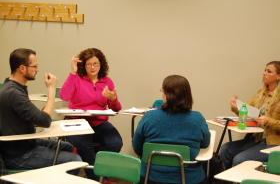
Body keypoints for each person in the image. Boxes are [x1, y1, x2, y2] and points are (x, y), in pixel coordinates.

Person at [0, 48, 82, 175]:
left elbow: (21, 118)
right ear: (22, 68)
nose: (37, 69)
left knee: (68, 147)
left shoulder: (13, 87)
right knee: (75, 160)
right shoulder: (13, 93)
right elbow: (45, 121)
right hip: (18, 154)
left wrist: (39, 114)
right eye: (35, 66)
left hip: (24, 143)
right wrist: (51, 88)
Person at [132, 75, 211, 184]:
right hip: (189, 179)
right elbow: (205, 144)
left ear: (165, 95)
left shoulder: (149, 117)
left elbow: (137, 148)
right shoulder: (197, 119)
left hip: (150, 178)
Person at [60, 48, 123, 181]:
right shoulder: (76, 78)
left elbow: (116, 109)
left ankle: (98, 175)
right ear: (83, 65)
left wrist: (113, 99)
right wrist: (72, 72)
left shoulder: (107, 81)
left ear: (101, 64)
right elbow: (63, 96)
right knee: (85, 146)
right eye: (89, 64)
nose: (92, 67)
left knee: (116, 142)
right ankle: (100, 180)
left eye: (96, 63)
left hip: (99, 122)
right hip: (76, 121)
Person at [220, 61, 280, 169]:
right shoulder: (260, 93)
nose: (264, 73)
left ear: (278, 76)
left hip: (274, 143)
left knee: (239, 159)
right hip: (256, 138)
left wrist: (268, 121)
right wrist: (236, 106)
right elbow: (245, 111)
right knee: (226, 149)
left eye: (269, 71)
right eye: (265, 70)